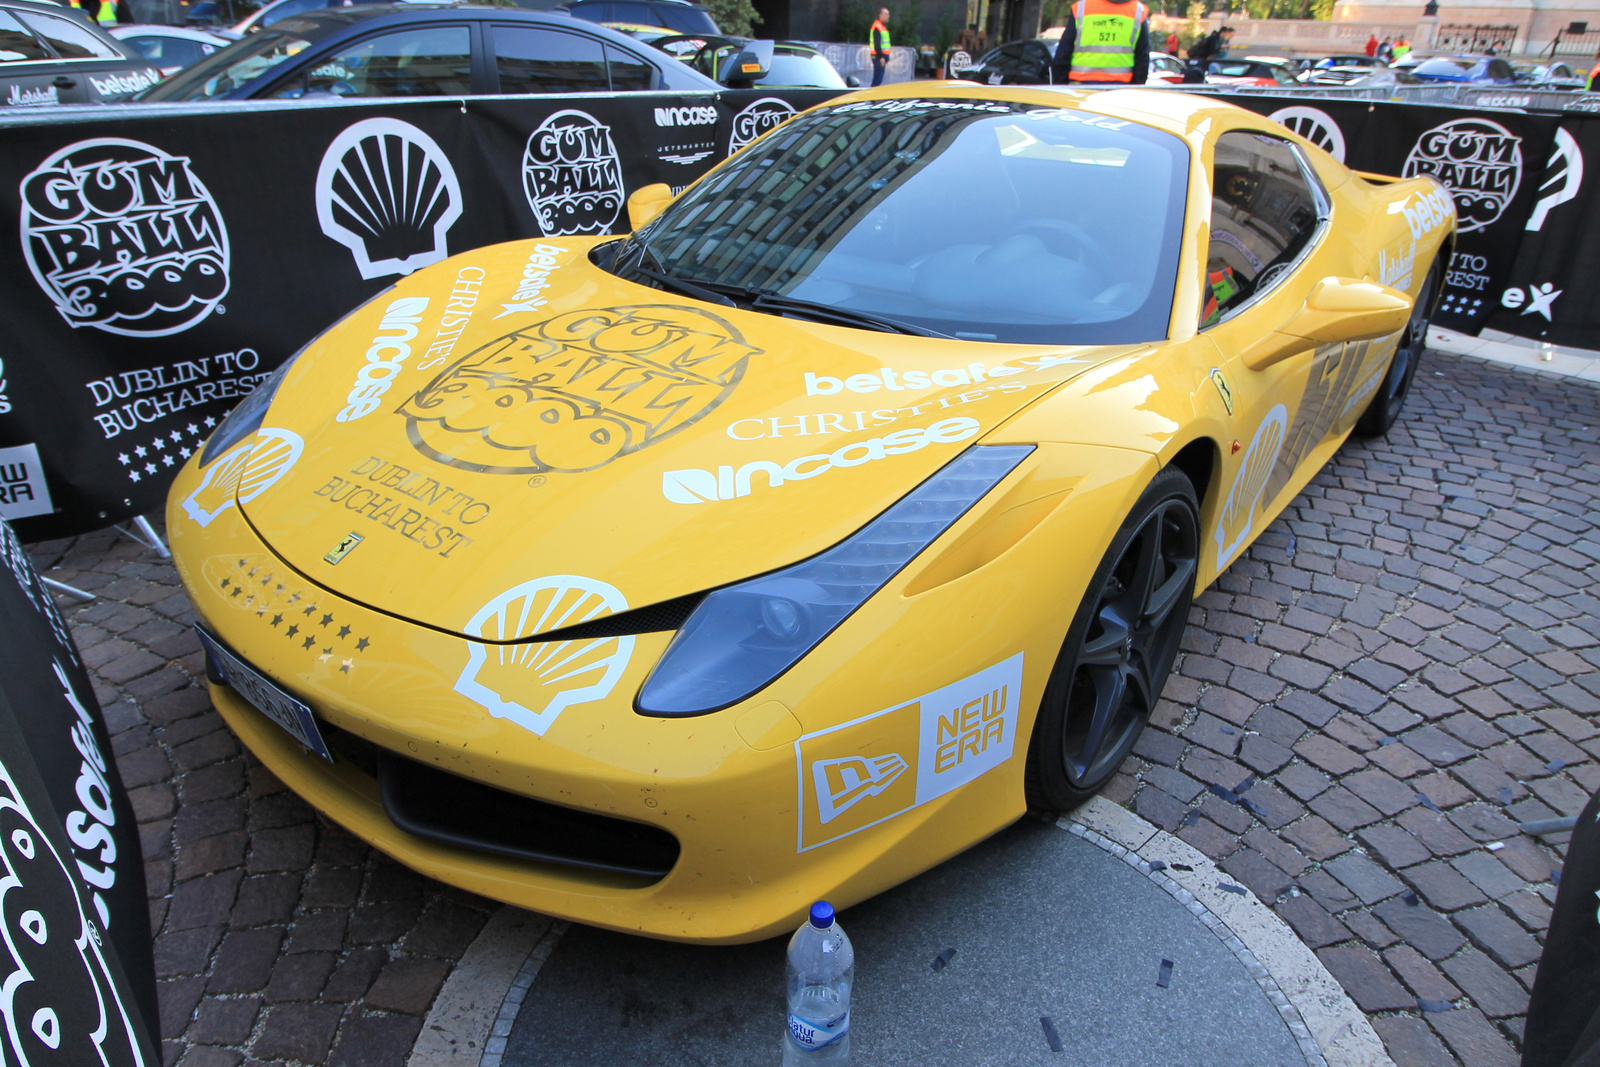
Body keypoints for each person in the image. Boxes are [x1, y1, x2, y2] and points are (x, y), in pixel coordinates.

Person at [1048, 0, 1151, 85]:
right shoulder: (1138, 11)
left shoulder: (1081, 7)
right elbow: (1142, 58)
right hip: (1120, 88)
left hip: (1080, 86)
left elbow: (1064, 52)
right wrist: (1135, 88)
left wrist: (1060, 85)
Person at [869, 7, 891, 87]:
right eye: (886, 14)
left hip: (880, 57)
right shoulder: (877, 27)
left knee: (878, 79)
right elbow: (877, 44)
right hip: (879, 57)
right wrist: (881, 57)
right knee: (877, 80)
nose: (888, 16)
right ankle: (871, 97)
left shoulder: (881, 26)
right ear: (880, 15)